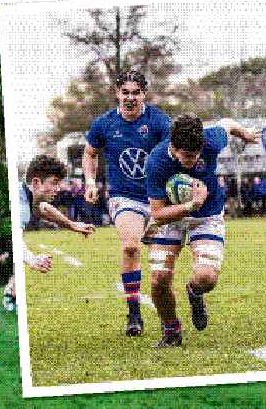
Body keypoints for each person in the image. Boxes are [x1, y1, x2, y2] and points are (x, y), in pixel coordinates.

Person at [143, 114, 258, 347]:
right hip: (170, 216)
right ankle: (171, 330)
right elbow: (157, 214)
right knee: (159, 278)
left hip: (207, 215)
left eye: (196, 155)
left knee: (206, 278)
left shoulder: (211, 140)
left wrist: (245, 133)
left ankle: (195, 293)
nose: (194, 161)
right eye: (187, 156)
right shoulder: (156, 161)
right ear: (173, 147)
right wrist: (191, 205)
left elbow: (227, 123)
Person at [83, 69, 171, 336]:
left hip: (157, 198)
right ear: (117, 93)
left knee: (164, 271)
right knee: (131, 246)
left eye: (136, 93)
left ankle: (191, 296)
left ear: (144, 94)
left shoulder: (159, 121)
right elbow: (89, 153)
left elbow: (173, 153)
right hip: (124, 197)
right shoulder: (104, 124)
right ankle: (134, 314)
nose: (130, 98)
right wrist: (89, 181)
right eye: (125, 93)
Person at [3, 155, 95, 312]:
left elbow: (44, 208)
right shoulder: (22, 206)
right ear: (36, 182)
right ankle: (11, 292)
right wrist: (32, 259)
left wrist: (72, 225)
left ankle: (11, 290)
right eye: (54, 183)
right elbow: (16, 241)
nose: (58, 189)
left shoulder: (27, 195)